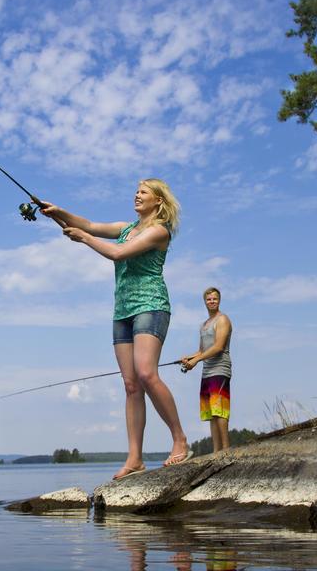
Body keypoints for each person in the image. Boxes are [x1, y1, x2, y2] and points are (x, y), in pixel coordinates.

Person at [40, 178, 191, 480]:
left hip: (150, 304)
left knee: (147, 374)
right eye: (136, 191)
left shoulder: (159, 232)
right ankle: (135, 458)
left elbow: (118, 254)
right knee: (131, 384)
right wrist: (57, 212)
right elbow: (90, 224)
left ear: (158, 201)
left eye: (143, 192)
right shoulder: (125, 228)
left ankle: (180, 440)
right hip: (122, 310)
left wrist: (83, 238)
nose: (137, 195)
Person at [180, 287, 233, 454]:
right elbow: (202, 351)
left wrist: (196, 360)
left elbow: (218, 347)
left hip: (220, 369)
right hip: (207, 371)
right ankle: (216, 451)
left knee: (220, 410)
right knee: (211, 412)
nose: (212, 301)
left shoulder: (223, 320)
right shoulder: (203, 325)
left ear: (219, 300)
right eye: (209, 299)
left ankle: (225, 450)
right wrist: (190, 358)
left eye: (215, 299)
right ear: (205, 302)